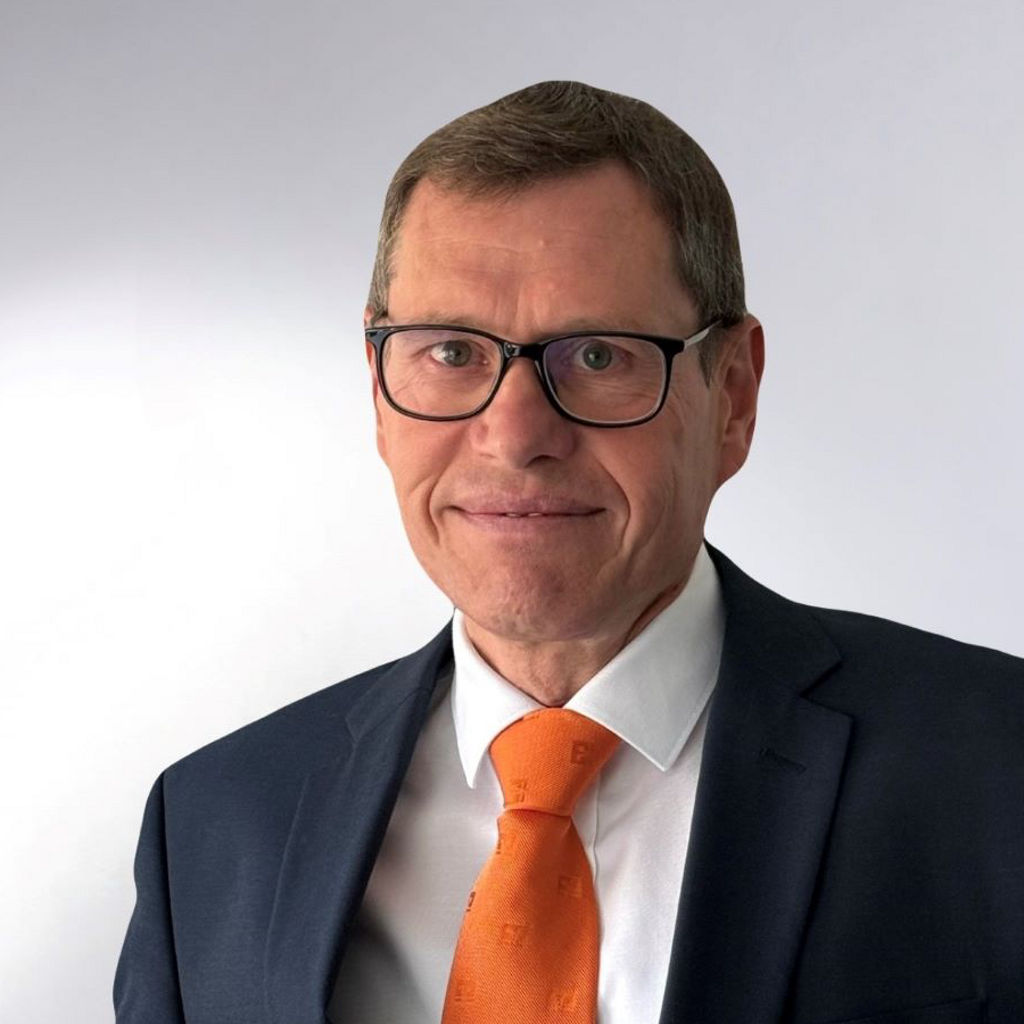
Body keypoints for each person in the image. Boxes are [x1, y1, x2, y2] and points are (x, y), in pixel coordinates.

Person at [114, 81, 1023, 1024]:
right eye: (451, 352)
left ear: (733, 396)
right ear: (378, 393)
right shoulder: (215, 825)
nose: (514, 437)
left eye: (596, 356)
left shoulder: (998, 768)